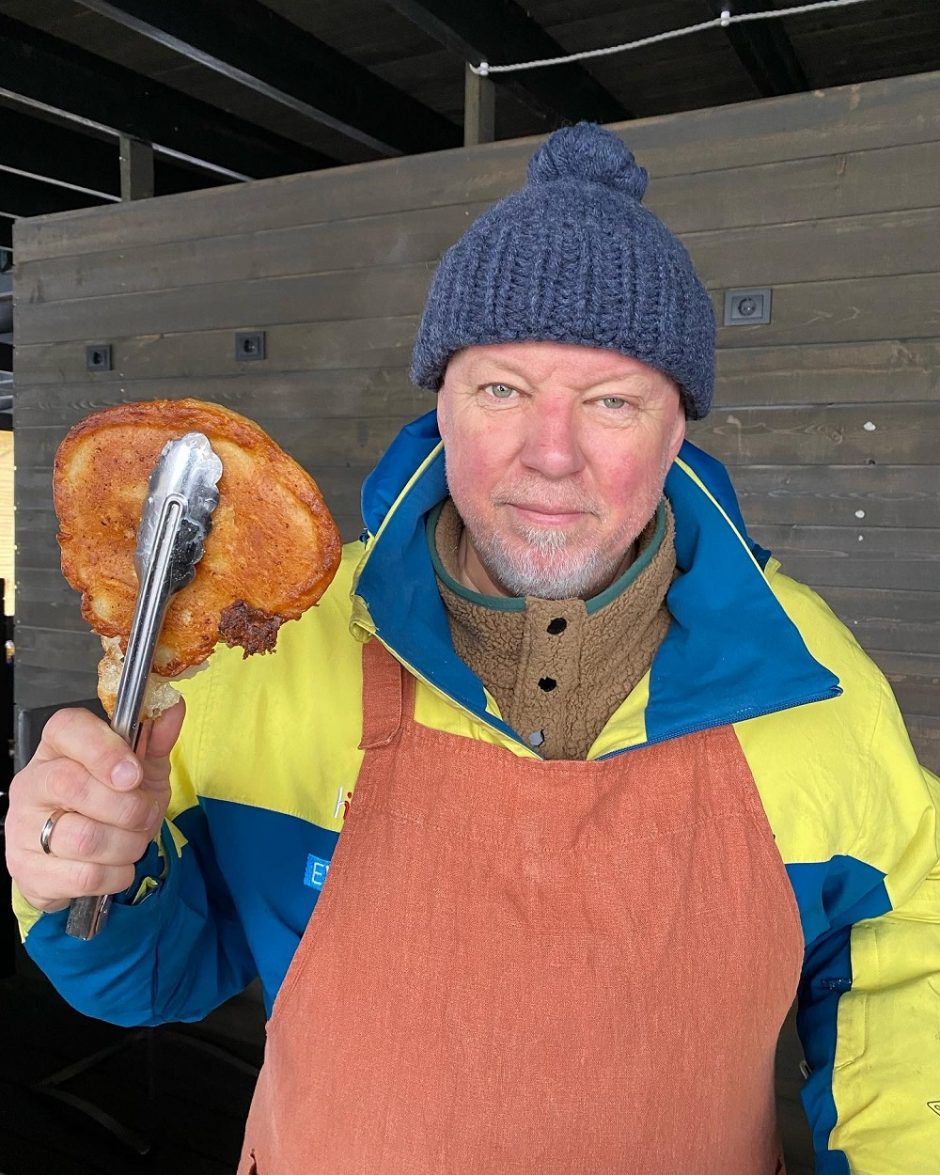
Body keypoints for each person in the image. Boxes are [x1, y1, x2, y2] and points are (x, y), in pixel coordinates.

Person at [6, 123, 939, 1174]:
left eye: (611, 400)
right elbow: (151, 972)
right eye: (502, 388)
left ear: (678, 430)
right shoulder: (272, 652)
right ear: (441, 403)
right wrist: (82, 875)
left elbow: (915, 958)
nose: (551, 453)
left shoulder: (808, 675)